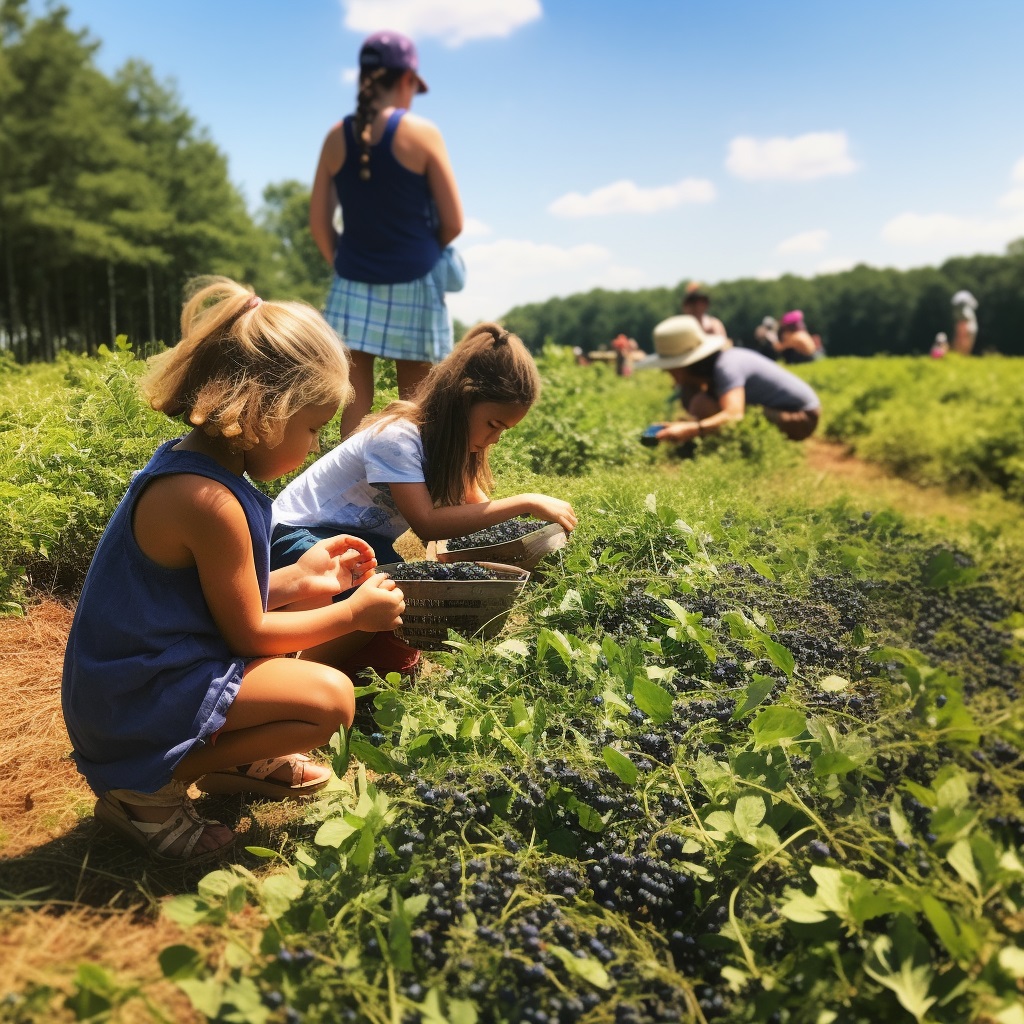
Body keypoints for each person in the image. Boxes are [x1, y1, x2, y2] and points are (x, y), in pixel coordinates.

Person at [62, 278, 407, 863]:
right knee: (330, 702)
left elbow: (208, 599)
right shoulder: (209, 500)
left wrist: (305, 580)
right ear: (265, 414)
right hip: (133, 699)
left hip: (152, 673)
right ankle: (141, 786)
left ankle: (235, 759)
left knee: (301, 626)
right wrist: (353, 612)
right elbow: (247, 632)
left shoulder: (203, 470)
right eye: (312, 428)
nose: (315, 444)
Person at [271, 322, 578, 672]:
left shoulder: (452, 446)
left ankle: (338, 660)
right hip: (297, 535)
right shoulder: (399, 437)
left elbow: (476, 513)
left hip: (356, 541)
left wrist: (529, 544)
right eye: (493, 425)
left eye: (503, 431)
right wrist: (527, 502)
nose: (494, 439)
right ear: (463, 399)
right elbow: (427, 524)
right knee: (376, 591)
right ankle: (296, 671)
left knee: (399, 600)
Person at [309, 29, 464, 439]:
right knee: (417, 401)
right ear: (407, 79)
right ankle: (418, 489)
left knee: (354, 396)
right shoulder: (422, 133)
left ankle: (348, 488)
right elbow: (454, 222)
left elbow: (319, 225)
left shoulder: (334, 137)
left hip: (352, 282)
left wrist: (344, 264)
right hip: (415, 282)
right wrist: (423, 252)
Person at [636, 314, 822, 443]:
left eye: (671, 369)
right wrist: (682, 425)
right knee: (701, 403)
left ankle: (735, 453)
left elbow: (734, 415)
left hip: (801, 418)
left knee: (704, 406)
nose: (670, 375)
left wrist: (691, 429)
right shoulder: (720, 364)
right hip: (786, 411)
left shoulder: (726, 367)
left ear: (687, 364)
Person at [950, 290, 978, 355]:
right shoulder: (966, 312)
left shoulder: (965, 312)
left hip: (968, 329)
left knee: (964, 347)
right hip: (968, 329)